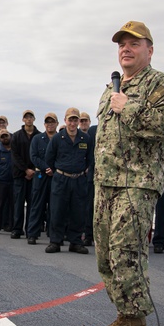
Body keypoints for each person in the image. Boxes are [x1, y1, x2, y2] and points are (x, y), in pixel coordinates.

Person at [89, 21, 164, 326]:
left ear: (150, 50)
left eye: (134, 43)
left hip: (137, 183)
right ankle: (124, 317)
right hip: (107, 183)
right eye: (122, 44)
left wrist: (125, 107)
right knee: (107, 257)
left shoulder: (161, 84)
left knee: (127, 253)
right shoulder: (112, 87)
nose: (126, 49)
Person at [44, 108, 94, 254]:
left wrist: (83, 171)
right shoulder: (58, 139)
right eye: (70, 120)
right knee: (57, 210)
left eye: (75, 120)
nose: (72, 123)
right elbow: (49, 158)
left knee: (78, 212)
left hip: (79, 180)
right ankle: (55, 241)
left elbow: (90, 159)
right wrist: (59, 171)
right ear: (65, 121)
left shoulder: (86, 139)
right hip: (61, 179)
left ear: (78, 121)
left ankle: (76, 242)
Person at [27, 113, 58, 245]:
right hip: (41, 176)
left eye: (52, 122)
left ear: (56, 123)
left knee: (54, 207)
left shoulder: (60, 138)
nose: (50, 124)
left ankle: (54, 235)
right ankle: (33, 234)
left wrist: (54, 169)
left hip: (56, 176)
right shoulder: (37, 138)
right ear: (44, 124)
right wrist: (47, 168)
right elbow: (33, 156)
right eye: (47, 122)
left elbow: (64, 156)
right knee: (37, 205)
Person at [10, 110, 38, 239]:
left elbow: (40, 155)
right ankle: (17, 229)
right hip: (19, 175)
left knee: (33, 204)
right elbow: (14, 155)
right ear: (23, 120)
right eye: (26, 117)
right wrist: (25, 169)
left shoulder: (39, 136)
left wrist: (32, 170)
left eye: (30, 117)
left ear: (34, 119)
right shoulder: (16, 136)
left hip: (34, 175)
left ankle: (30, 230)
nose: (28, 119)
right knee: (19, 204)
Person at [79, 112, 96, 246]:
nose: (84, 123)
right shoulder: (88, 134)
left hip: (104, 176)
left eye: (86, 121)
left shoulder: (96, 130)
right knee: (88, 207)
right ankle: (88, 235)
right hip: (88, 177)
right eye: (82, 121)